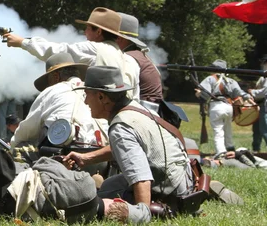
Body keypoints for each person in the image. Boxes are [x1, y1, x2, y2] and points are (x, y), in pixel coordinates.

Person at [65, 66, 196, 223]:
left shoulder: (121, 128)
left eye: (87, 95)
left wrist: (143, 213)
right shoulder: (136, 109)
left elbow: (141, 178)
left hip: (171, 190)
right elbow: (128, 148)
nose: (85, 101)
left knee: (105, 192)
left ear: (102, 97)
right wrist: (87, 158)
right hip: (185, 182)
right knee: (110, 183)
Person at [3, 7, 140, 101]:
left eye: (87, 28)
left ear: (98, 32)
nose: (85, 32)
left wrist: (23, 42)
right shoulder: (131, 61)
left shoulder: (94, 48)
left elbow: (58, 52)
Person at [10, 53, 105, 150]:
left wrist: (12, 144)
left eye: (49, 80)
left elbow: (27, 130)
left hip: (70, 151)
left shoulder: (52, 91)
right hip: (103, 148)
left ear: (56, 77)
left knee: (20, 149)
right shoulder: (93, 89)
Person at [196, 60, 255, 156]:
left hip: (216, 107)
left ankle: (221, 152)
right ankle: (230, 148)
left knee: (218, 131)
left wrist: (199, 94)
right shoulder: (231, 81)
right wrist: (249, 98)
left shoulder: (210, 79)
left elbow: (204, 94)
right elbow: (239, 93)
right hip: (228, 107)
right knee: (228, 129)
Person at [115, 13, 163, 103]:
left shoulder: (127, 59)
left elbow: (122, 98)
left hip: (141, 113)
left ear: (119, 38)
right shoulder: (136, 55)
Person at [250, 54, 267, 154]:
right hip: (260, 104)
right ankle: (256, 148)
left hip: (266, 104)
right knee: (257, 128)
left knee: (265, 126)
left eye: (262, 62)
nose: (261, 64)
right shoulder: (265, 75)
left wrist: (252, 92)